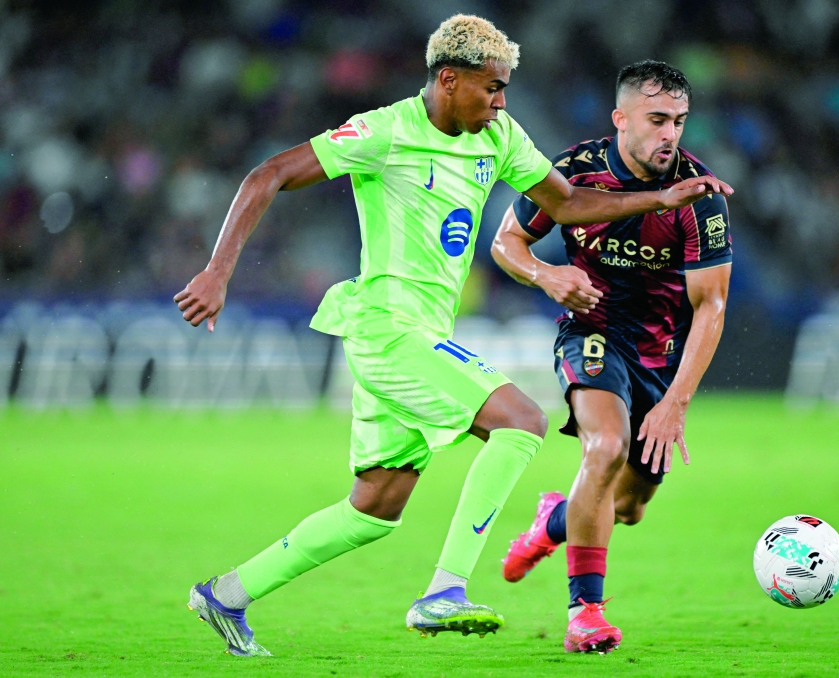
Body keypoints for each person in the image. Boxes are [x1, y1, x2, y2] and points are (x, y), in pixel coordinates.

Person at [174, 15, 732, 656]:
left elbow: (570, 204)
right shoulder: (383, 132)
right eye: (492, 88)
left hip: (418, 335)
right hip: (386, 327)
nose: (501, 103)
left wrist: (659, 201)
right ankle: (445, 592)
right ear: (449, 80)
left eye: (505, 90)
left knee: (372, 509)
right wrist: (219, 271)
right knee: (520, 421)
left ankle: (228, 594)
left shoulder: (497, 136)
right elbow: (266, 175)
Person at [492, 61, 733, 654]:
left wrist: (675, 403)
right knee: (604, 447)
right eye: (656, 120)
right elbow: (506, 243)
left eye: (678, 121)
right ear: (621, 119)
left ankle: (555, 517)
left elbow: (712, 307)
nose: (670, 134)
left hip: (661, 354)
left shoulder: (700, 197)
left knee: (629, 506)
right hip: (591, 333)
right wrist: (547, 275)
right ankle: (585, 614)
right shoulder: (575, 173)